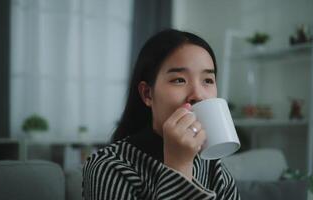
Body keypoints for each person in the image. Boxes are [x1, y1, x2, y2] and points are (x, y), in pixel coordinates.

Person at [83, 29, 240, 200]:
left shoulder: (211, 166)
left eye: (208, 80)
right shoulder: (109, 166)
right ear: (147, 94)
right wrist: (179, 166)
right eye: (179, 80)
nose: (198, 95)